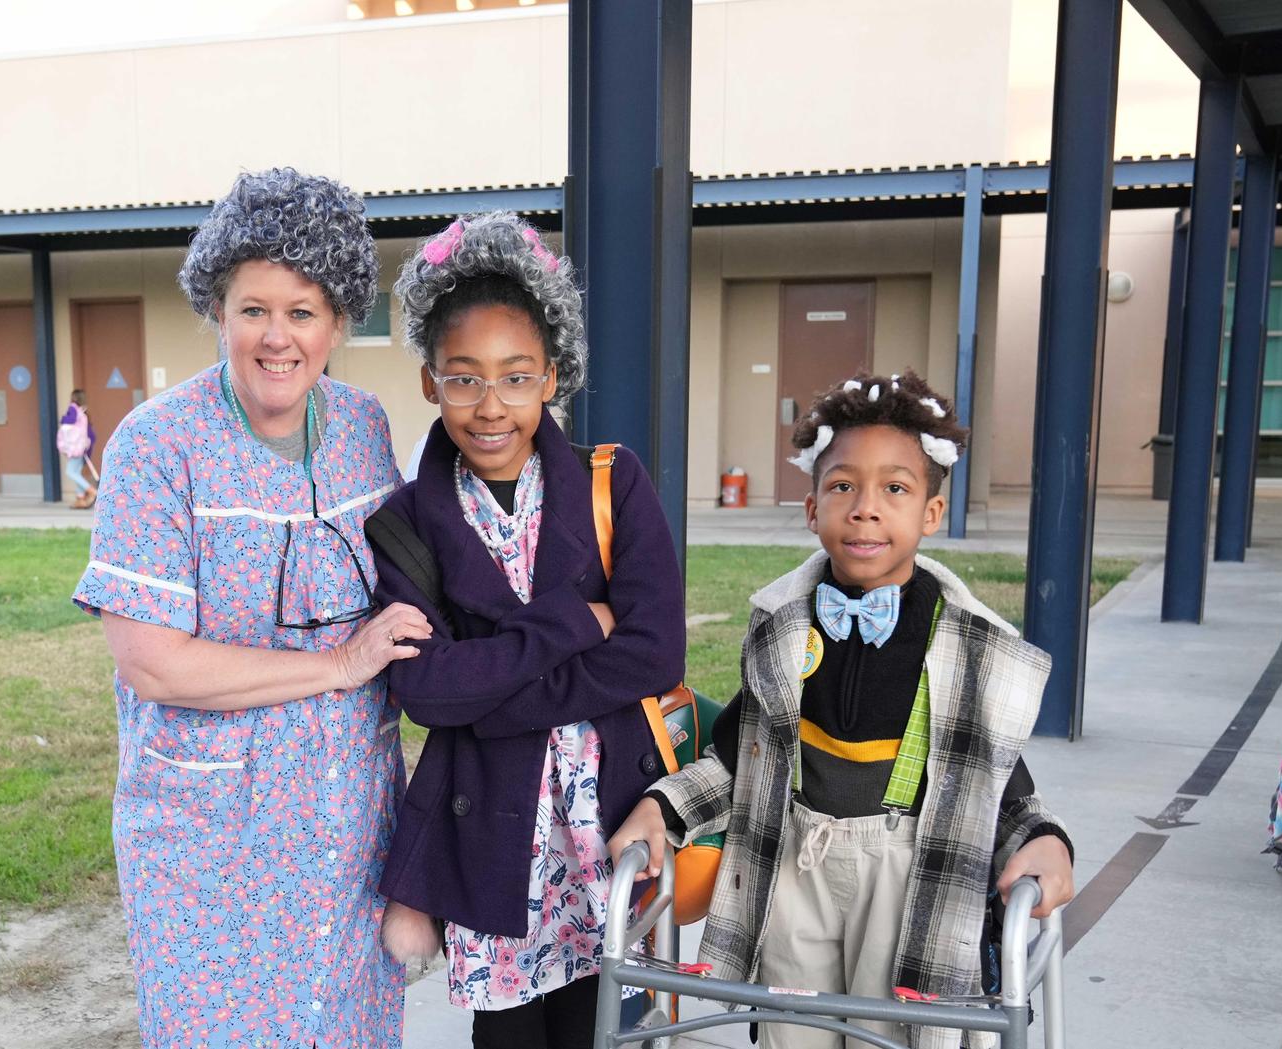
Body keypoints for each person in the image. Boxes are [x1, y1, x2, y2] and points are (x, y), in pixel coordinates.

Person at [71, 167, 430, 1049]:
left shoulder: (362, 426)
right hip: (209, 843)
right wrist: (337, 666)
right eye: (253, 309)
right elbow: (151, 660)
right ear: (217, 312)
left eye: (302, 312)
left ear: (340, 321)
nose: (278, 337)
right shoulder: (156, 447)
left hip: (353, 828)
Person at [609, 371, 1075, 1049]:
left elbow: (993, 781)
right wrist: (663, 806)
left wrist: (1045, 840)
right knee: (791, 1028)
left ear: (931, 515)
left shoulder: (963, 648)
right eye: (842, 486)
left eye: (895, 487)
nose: (865, 508)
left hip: (908, 873)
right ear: (812, 509)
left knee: (892, 1032)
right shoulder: (780, 630)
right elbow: (742, 758)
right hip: (795, 861)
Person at [367, 212, 686, 1049]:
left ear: (552, 377)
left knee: (602, 1033)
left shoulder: (615, 484)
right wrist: (574, 620)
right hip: (494, 837)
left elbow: (655, 651)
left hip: (606, 827)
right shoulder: (406, 523)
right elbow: (425, 691)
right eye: (464, 378)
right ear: (431, 383)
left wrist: (493, 686)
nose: (491, 405)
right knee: (506, 1042)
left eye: (515, 377)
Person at [58, 388, 97, 509]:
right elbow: (91, 434)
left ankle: (91, 491)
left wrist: (63, 418)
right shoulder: (84, 413)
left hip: (75, 448)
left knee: (70, 472)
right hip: (82, 448)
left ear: (74, 398)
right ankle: (80, 499)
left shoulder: (73, 408)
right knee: (76, 472)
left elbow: (70, 420)